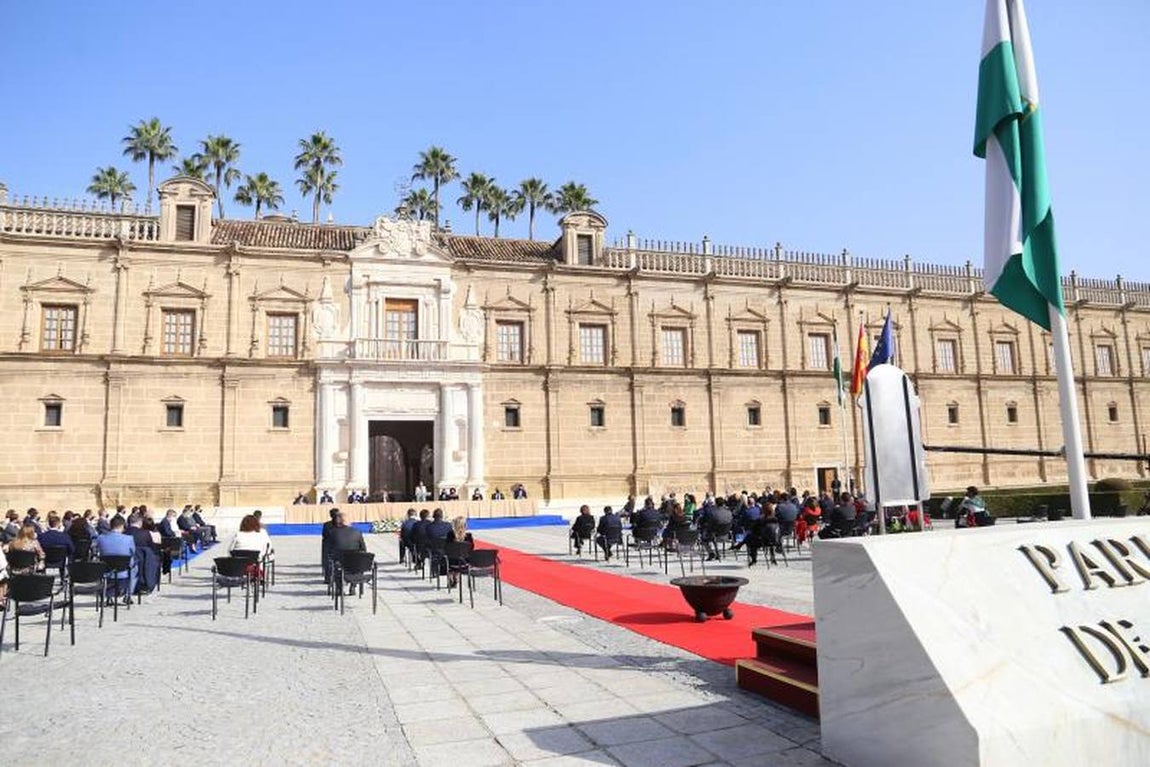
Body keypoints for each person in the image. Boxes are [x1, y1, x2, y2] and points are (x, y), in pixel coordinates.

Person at [95, 516, 137, 600]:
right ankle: (128, 594)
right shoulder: (129, 538)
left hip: (106, 569)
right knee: (134, 566)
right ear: (122, 526)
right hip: (123, 569)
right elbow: (133, 552)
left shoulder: (100, 538)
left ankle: (108, 595)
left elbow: (96, 550)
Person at [327, 512, 366, 594]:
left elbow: (329, 549)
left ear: (337, 521)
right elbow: (363, 549)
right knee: (358, 561)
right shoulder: (357, 532)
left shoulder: (332, 532)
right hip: (354, 562)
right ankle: (353, 586)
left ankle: (339, 588)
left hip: (340, 562)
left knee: (335, 564)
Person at [445, 516, 473, 587]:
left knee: (451, 557)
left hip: (451, 564)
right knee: (461, 556)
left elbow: (447, 548)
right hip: (464, 564)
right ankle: (456, 576)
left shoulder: (450, 535)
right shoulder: (468, 536)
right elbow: (471, 549)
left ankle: (452, 575)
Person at [321, 508, 340, 584]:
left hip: (329, 546)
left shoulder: (326, 525)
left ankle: (328, 578)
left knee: (327, 558)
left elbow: (324, 535)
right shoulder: (341, 524)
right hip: (337, 546)